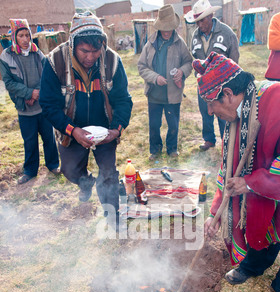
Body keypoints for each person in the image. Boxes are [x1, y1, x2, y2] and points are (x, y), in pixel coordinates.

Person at [193, 52, 280, 292]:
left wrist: (250, 183)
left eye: (210, 103)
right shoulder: (238, 114)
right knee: (264, 215)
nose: (209, 111)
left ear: (227, 94)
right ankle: (254, 264)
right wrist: (215, 212)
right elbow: (228, 171)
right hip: (269, 184)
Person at [39, 12, 132, 229]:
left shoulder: (112, 61)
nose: (90, 57)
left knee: (108, 173)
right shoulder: (55, 62)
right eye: (84, 51)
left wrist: (116, 129)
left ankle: (113, 219)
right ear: (73, 45)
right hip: (71, 129)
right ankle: (86, 182)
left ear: (102, 45)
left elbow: (123, 100)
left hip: (105, 130)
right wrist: (73, 130)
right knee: (70, 171)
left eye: (95, 50)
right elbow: (49, 105)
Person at [0, 19, 60, 184]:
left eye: (27, 35)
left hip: (42, 105)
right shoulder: (6, 56)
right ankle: (30, 171)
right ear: (14, 37)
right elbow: (9, 83)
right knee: (30, 140)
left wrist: (37, 94)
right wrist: (28, 93)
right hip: (24, 107)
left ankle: (53, 165)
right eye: (21, 35)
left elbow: (47, 75)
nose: (26, 39)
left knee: (49, 138)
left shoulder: (37, 53)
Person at [137, 4, 192, 161]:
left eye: (170, 28)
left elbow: (189, 62)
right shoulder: (150, 43)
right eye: (164, 28)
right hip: (154, 94)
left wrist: (182, 71)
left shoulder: (180, 43)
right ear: (159, 27)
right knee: (154, 125)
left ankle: (172, 148)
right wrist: (155, 77)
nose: (167, 32)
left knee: (173, 125)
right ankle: (155, 150)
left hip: (173, 93)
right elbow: (141, 67)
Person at [185, 0, 239, 151]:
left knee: (223, 113)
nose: (199, 24)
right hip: (204, 85)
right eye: (197, 21)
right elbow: (194, 57)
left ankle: (226, 140)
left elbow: (234, 58)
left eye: (202, 20)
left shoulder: (226, 33)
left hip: (222, 85)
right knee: (205, 112)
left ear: (210, 16)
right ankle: (209, 139)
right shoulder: (195, 36)